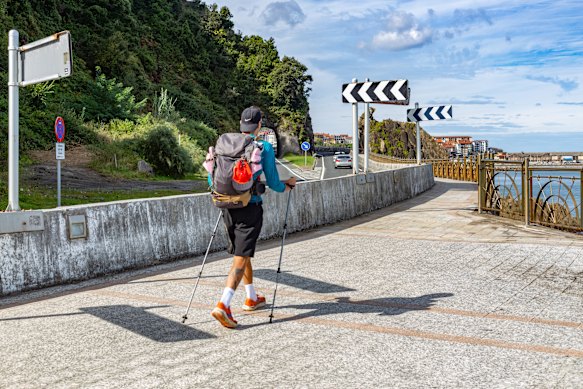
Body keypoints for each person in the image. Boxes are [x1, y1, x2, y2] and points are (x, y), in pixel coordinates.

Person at [211, 106, 296, 329]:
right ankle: (224, 305)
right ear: (259, 125)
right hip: (250, 207)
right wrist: (287, 186)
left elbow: (212, 176)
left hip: (226, 204)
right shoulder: (263, 146)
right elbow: (275, 183)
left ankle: (251, 297)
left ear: (241, 123)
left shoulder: (225, 143)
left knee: (243, 252)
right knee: (241, 256)